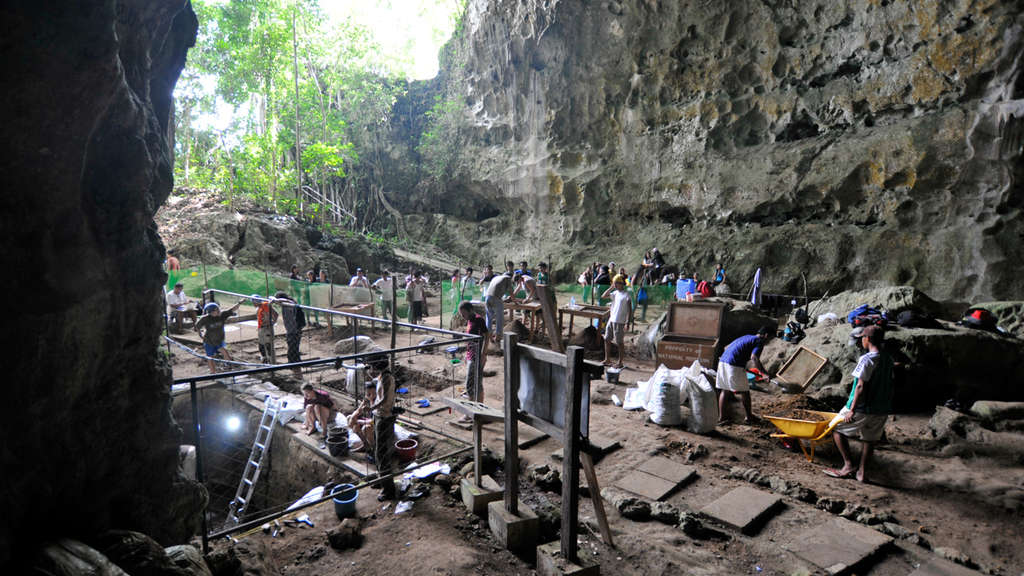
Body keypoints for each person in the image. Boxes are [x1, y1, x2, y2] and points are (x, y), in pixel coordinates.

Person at [826, 326, 894, 483]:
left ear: (867, 339)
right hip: (882, 408)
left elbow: (860, 386)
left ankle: (848, 465)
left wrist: (851, 409)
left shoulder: (867, 359)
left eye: (862, 338)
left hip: (863, 407)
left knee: (837, 429)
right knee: (869, 439)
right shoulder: (888, 359)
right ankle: (862, 473)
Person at [716, 326, 773, 423]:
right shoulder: (759, 341)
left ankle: (722, 418)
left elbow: (726, 347)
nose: (769, 341)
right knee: (745, 392)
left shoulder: (747, 337)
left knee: (725, 391)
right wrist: (764, 374)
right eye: (771, 338)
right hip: (733, 365)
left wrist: (740, 361)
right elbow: (754, 358)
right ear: (766, 335)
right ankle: (749, 417)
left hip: (722, 362)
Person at [367, 357, 397, 500]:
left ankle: (388, 489)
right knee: (378, 450)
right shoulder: (382, 376)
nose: (370, 369)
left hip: (384, 417)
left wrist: (372, 407)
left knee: (382, 453)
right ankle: (382, 480)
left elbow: (384, 399)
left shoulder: (386, 378)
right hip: (380, 415)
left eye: (371, 366)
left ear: (376, 367)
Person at [456, 302, 489, 419]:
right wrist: (467, 355)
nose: (463, 316)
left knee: (470, 385)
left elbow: (487, 336)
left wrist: (483, 354)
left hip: (477, 356)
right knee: (476, 383)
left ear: (470, 310)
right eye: (461, 314)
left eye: (464, 313)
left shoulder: (478, 320)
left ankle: (470, 413)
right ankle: (478, 411)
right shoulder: (470, 320)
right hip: (471, 355)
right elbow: (470, 340)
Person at [195, 300, 241, 373]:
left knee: (224, 352)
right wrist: (200, 335)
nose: (218, 311)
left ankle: (229, 367)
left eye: (218, 310)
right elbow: (197, 326)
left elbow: (232, 309)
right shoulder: (205, 318)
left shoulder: (222, 315)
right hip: (209, 341)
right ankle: (213, 372)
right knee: (210, 357)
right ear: (211, 312)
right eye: (216, 311)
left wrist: (239, 303)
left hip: (219, 340)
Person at [601, 275, 632, 368]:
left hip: (620, 321)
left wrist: (628, 322)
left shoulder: (626, 295)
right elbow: (603, 296)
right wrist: (611, 288)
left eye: (616, 283)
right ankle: (607, 359)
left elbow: (630, 310)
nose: (615, 285)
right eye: (614, 283)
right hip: (611, 319)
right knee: (606, 339)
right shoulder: (615, 293)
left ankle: (620, 362)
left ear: (621, 283)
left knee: (619, 342)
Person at [484, 271, 519, 343]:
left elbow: (495, 288)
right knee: (499, 319)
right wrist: (516, 303)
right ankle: (498, 338)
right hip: (496, 298)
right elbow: (511, 293)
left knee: (489, 318)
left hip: (487, 297)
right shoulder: (508, 278)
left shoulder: (496, 277)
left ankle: (489, 338)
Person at [275, 291, 303, 373]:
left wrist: (281, 301)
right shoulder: (285, 305)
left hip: (294, 329)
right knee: (292, 346)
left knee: (293, 347)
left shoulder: (290, 304)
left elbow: (291, 303)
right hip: (290, 329)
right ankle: (294, 363)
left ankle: (294, 363)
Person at [301, 383, 335, 448]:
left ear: (312, 391)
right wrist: (307, 423)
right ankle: (313, 427)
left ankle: (324, 431)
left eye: (307, 393)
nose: (305, 396)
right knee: (309, 407)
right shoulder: (306, 397)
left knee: (317, 406)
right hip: (316, 415)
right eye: (304, 394)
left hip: (325, 414)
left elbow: (332, 406)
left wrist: (322, 418)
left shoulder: (322, 395)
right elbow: (307, 410)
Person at [348, 380, 376, 452]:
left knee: (366, 428)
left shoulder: (378, 402)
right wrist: (353, 417)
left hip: (376, 424)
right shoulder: (366, 400)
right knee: (350, 418)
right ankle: (365, 445)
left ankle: (373, 449)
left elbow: (375, 420)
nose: (370, 396)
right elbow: (358, 410)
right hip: (368, 420)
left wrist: (361, 421)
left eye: (373, 393)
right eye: (368, 394)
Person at [252, 294, 277, 364]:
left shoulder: (265, 305)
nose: (253, 303)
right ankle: (265, 359)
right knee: (261, 346)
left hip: (267, 329)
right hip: (261, 329)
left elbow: (276, 314)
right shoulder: (258, 308)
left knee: (268, 345)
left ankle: (272, 362)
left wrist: (272, 322)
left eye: (253, 302)